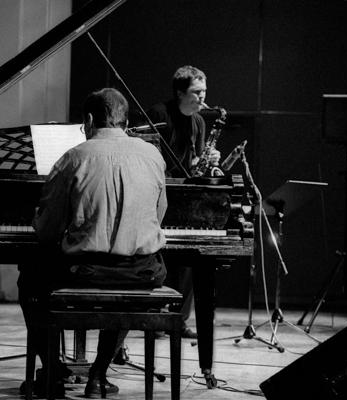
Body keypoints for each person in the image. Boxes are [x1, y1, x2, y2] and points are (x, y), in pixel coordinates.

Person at [18, 88, 168, 398]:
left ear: (88, 120)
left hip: (86, 270)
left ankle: (54, 373)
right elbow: (159, 213)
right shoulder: (153, 155)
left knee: (30, 277)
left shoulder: (73, 158)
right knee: (126, 291)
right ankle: (98, 375)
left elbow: (47, 231)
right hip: (142, 271)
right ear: (125, 120)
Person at [147, 65, 222, 339]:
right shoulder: (159, 114)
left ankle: (179, 318)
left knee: (192, 257)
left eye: (204, 92)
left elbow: (193, 165)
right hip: (157, 194)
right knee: (158, 256)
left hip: (184, 196)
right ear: (180, 92)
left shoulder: (199, 122)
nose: (202, 98)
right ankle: (155, 314)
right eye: (196, 92)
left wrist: (207, 160)